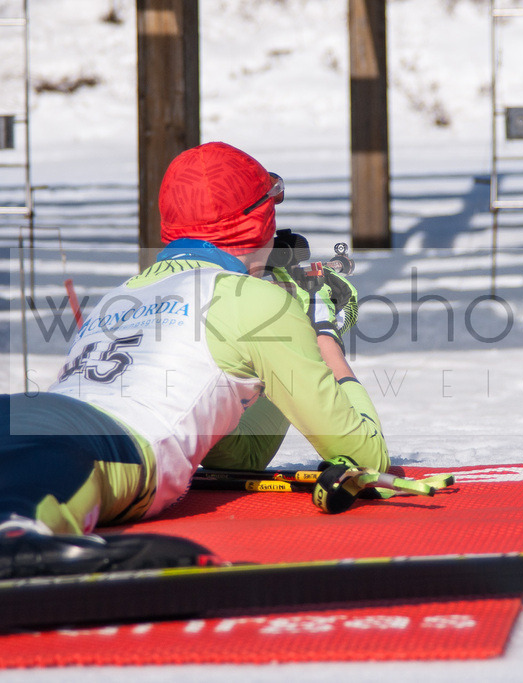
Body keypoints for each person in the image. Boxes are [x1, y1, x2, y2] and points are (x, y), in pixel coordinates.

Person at [0, 142, 416, 578]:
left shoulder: (120, 294)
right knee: (22, 529)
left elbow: (234, 456)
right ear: (260, 221)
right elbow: (366, 456)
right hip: (104, 445)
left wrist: (280, 351)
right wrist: (322, 334)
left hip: (28, 409)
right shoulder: (257, 301)